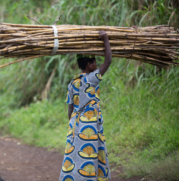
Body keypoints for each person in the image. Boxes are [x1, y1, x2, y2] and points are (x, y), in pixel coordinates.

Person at [58, 31, 112, 181]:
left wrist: (72, 124)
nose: (96, 64)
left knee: (74, 155)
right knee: (92, 154)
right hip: (91, 124)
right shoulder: (92, 79)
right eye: (94, 61)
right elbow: (108, 61)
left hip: (75, 124)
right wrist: (105, 39)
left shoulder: (72, 83)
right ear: (89, 65)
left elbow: (70, 108)